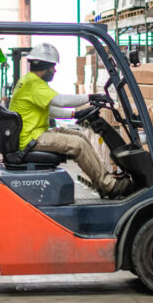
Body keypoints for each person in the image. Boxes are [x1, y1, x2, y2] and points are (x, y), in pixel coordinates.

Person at [8, 43, 130, 199]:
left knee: (79, 137)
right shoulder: (33, 83)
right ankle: (110, 186)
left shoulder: (29, 81)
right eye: (52, 67)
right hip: (31, 138)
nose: (54, 70)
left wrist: (76, 114)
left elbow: (49, 109)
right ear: (44, 66)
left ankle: (102, 185)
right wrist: (90, 97)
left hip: (35, 133)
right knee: (77, 145)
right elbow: (60, 100)